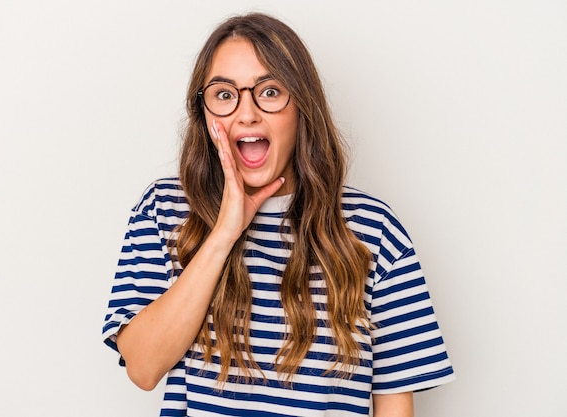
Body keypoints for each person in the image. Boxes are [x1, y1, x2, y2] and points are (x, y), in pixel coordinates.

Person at [103, 12, 455, 417]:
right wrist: (223, 234)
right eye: (224, 94)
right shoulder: (164, 210)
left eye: (269, 92)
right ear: (204, 113)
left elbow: (394, 400)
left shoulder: (373, 229)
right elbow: (143, 368)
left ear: (302, 107)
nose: (247, 113)